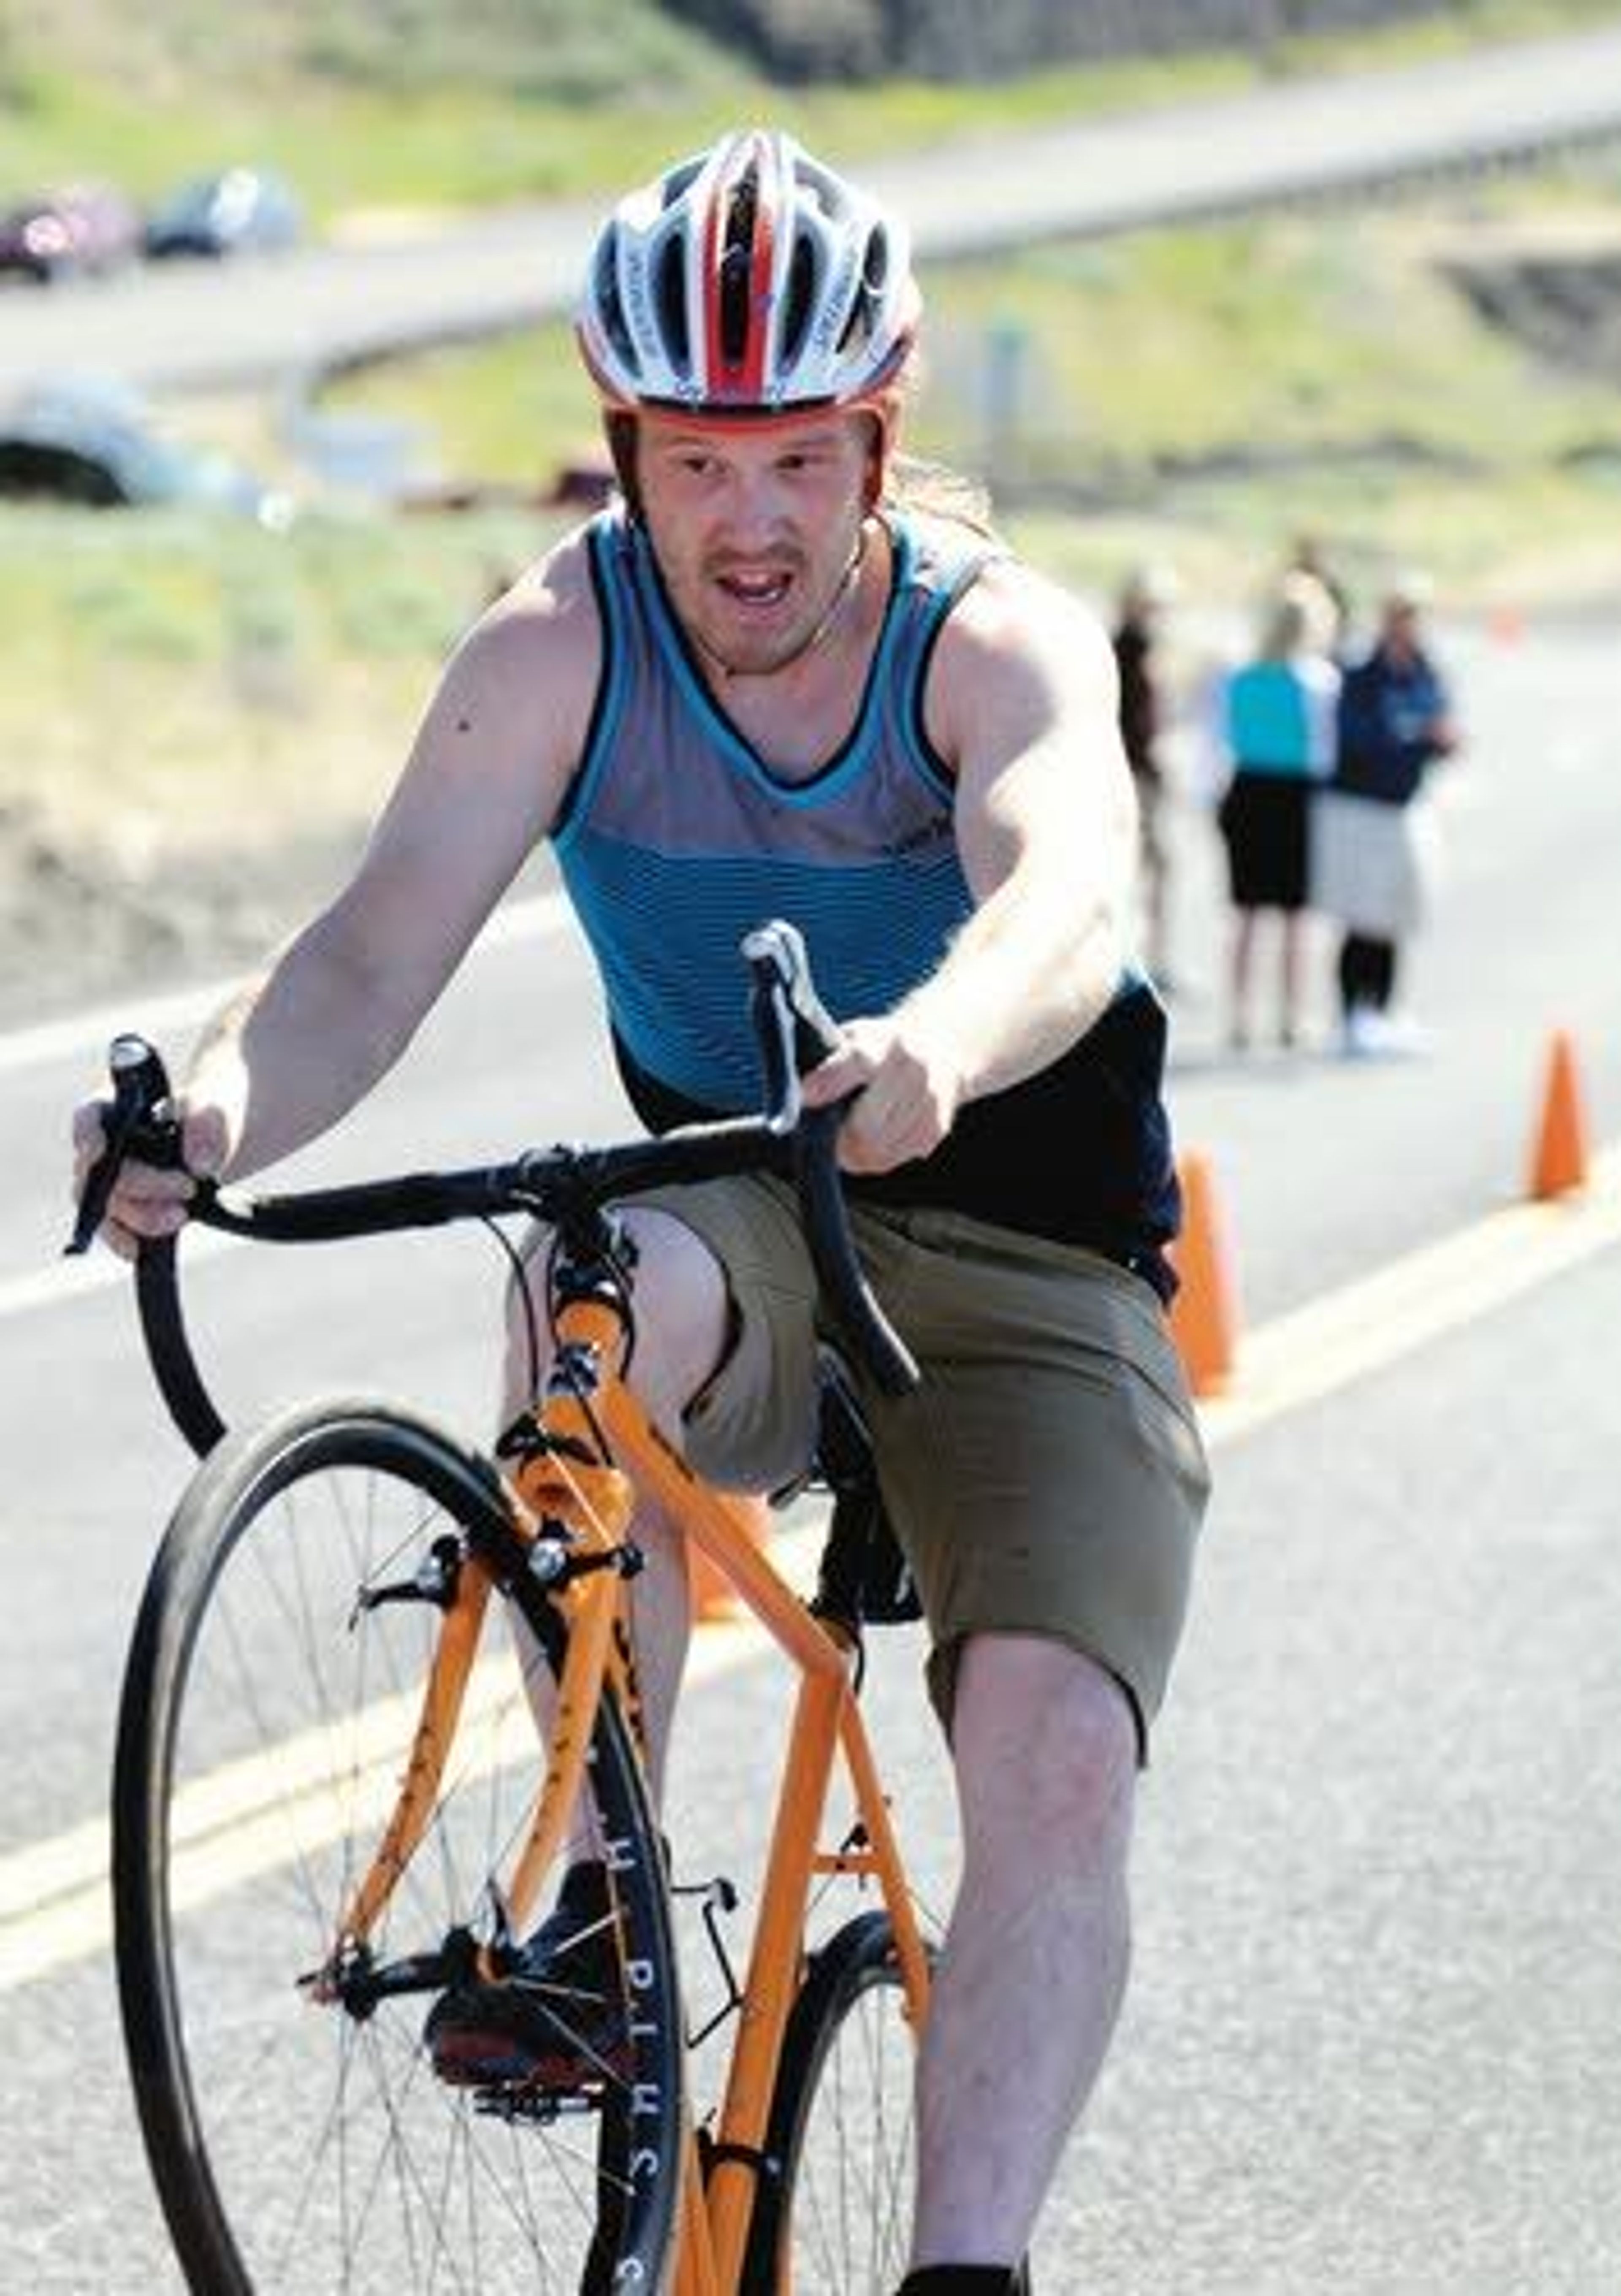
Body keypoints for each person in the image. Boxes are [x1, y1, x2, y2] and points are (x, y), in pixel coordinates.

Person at [73, 129, 1209, 2294]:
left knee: (1055, 1745)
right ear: (628, 454)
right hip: (756, 1214)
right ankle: (602, 1900)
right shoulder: (555, 649)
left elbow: (1069, 882)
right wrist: (212, 1115)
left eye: (798, 457)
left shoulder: (993, 642)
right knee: (599, 1283)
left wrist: (940, 1046)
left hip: (1034, 1249)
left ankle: (966, 2265)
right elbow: (366, 958)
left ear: (876, 441)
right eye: (699, 463)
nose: (752, 518)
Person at [1314, 573, 1459, 1056]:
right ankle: (1352, 1015)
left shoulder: (1426, 671)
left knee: (1396, 915)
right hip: (1359, 807)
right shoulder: (1361, 673)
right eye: (1400, 615)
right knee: (1361, 917)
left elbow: (1441, 729)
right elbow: (1360, 741)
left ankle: (1385, 1013)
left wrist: (1437, 742)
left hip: (1404, 805)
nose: (1407, 626)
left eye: (1414, 617)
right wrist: (1417, 738)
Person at [1213, 570, 1339, 1052]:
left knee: (1245, 912)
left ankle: (1240, 1017)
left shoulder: (1239, 676)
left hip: (1247, 788)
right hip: (1295, 796)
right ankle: (1291, 1017)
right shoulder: (1319, 681)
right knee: (1294, 916)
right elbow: (1325, 751)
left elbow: (1222, 736)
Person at [1111, 563, 1179, 989]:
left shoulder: (1133, 646)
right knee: (1144, 868)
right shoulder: (1129, 650)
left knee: (1154, 869)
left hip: (1140, 769)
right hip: (1133, 772)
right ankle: (1140, 957)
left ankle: (1150, 955)